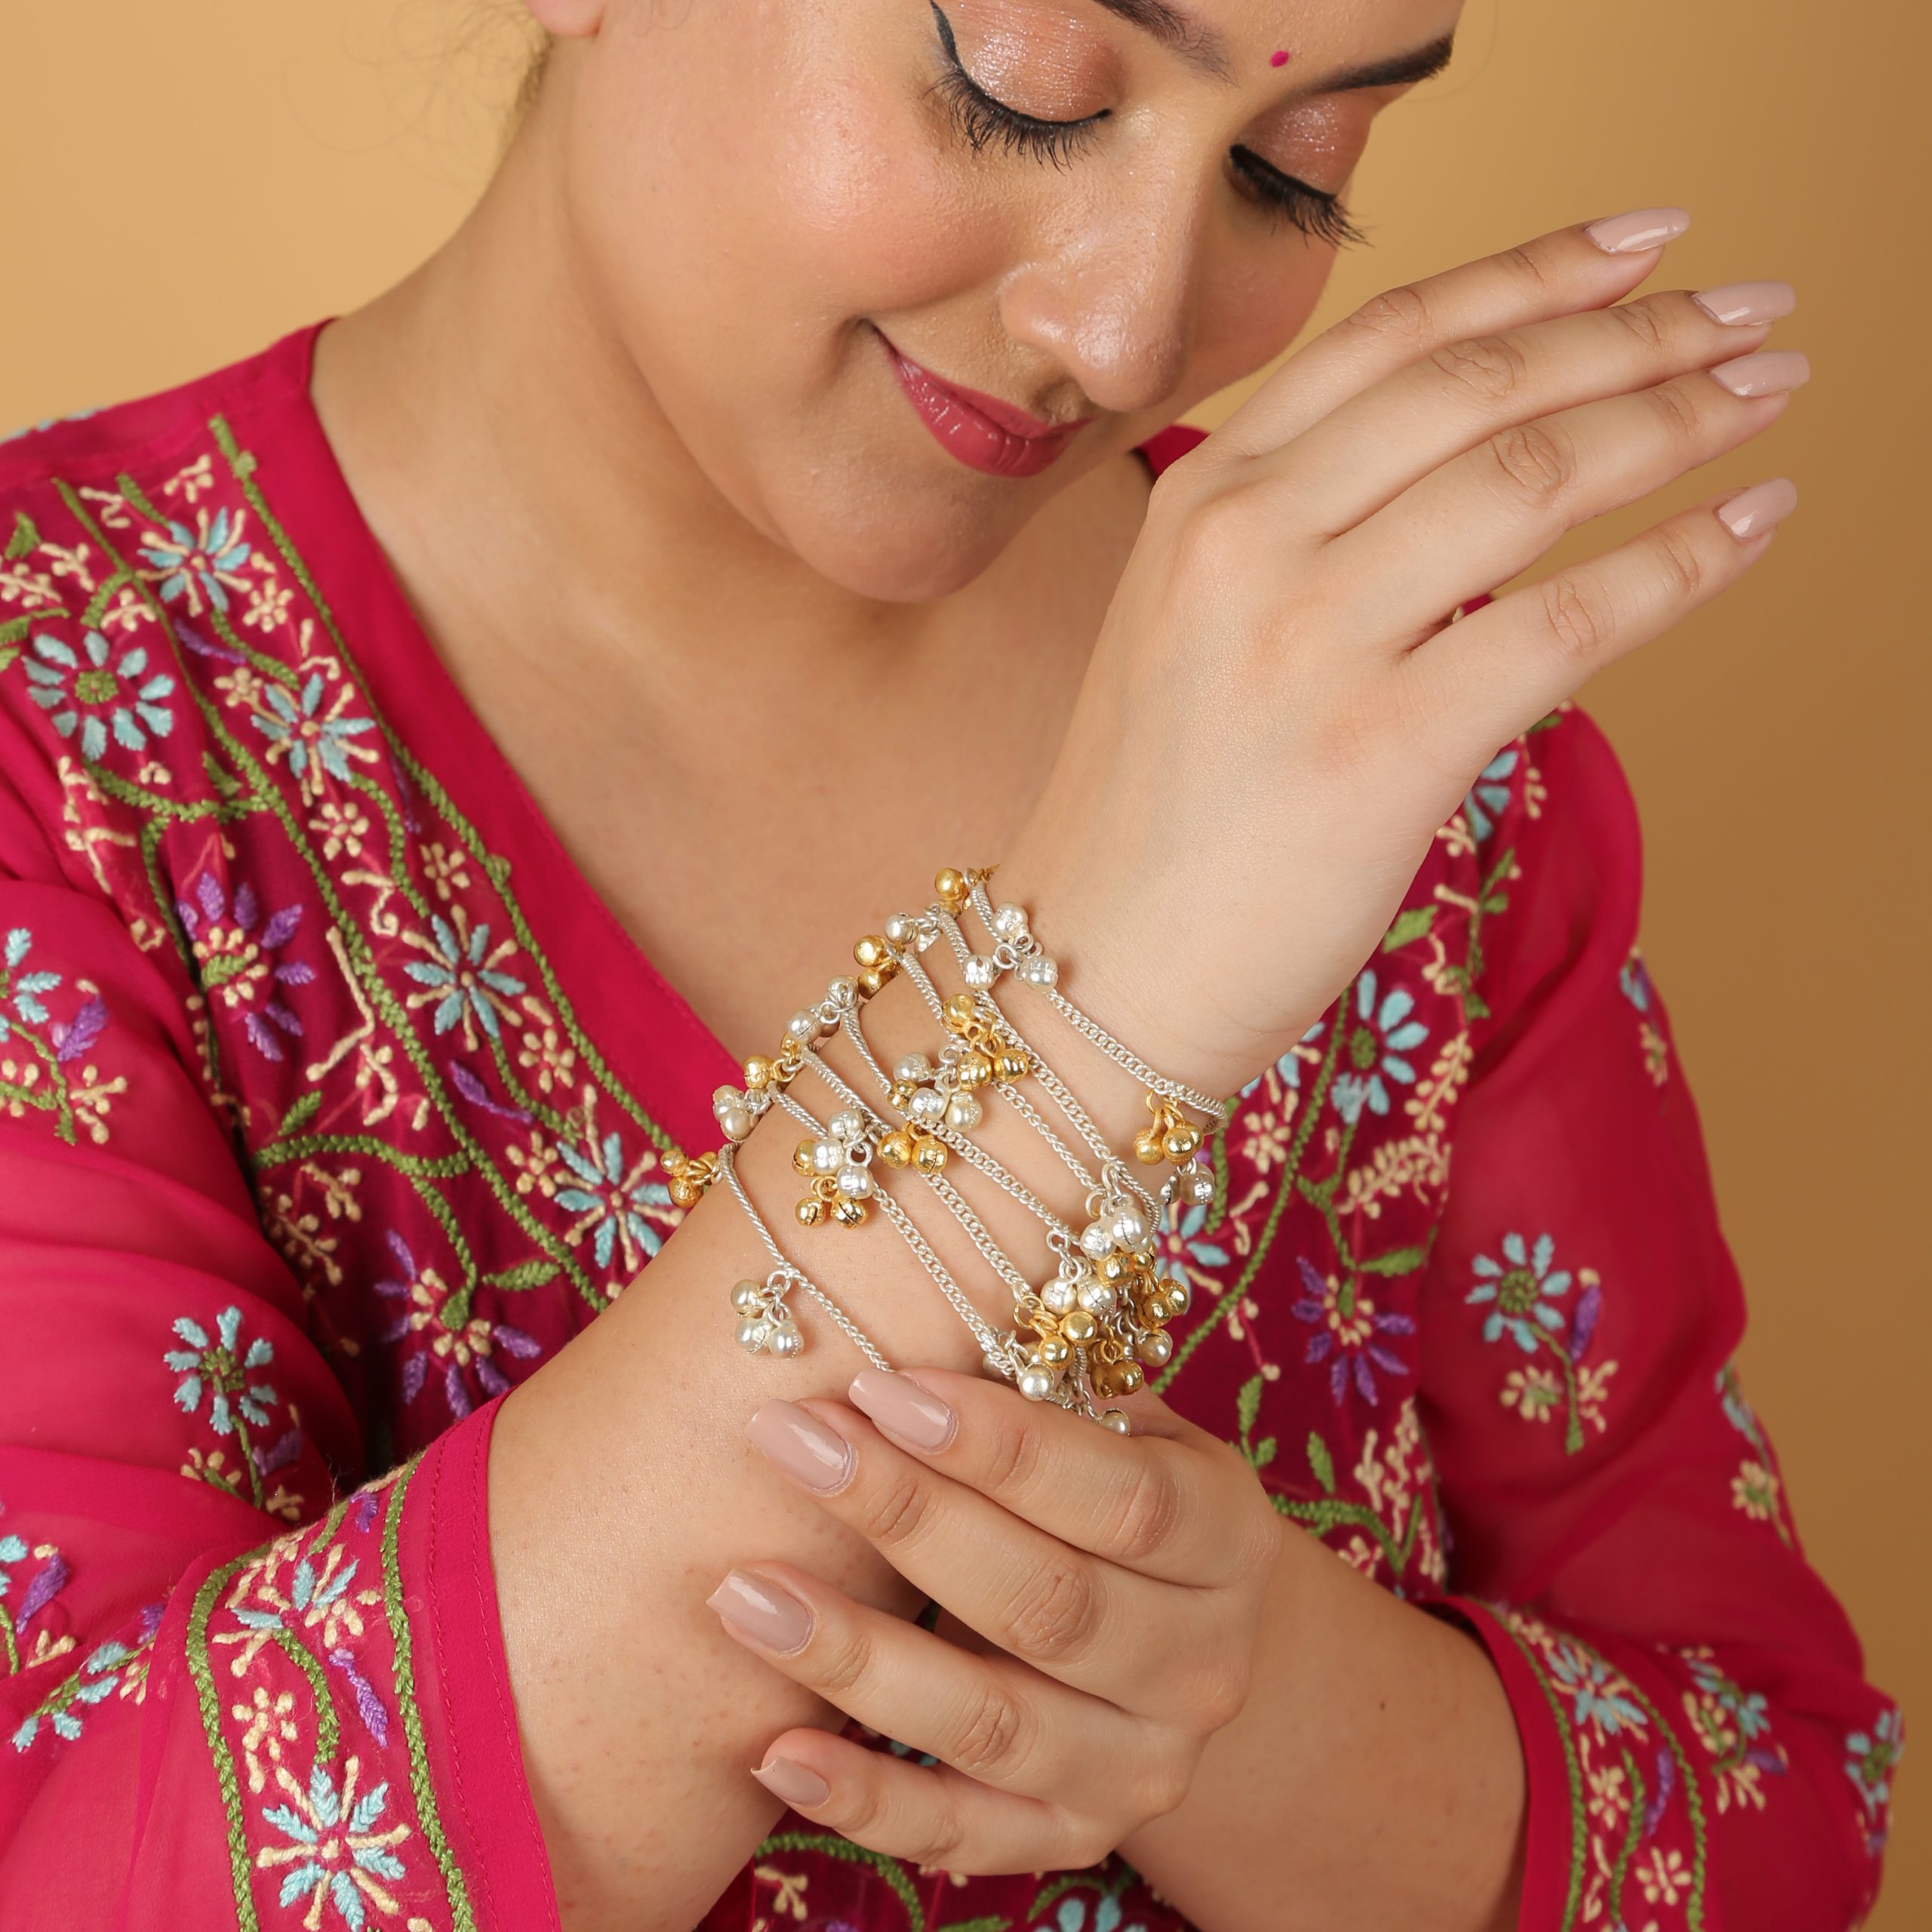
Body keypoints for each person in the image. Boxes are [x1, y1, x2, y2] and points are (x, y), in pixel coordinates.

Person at [0, 0, 1900, 1927]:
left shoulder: (1366, 727)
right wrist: (1075, 1011)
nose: (1124, 331)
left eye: (1285, 175)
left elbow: (1765, 1809)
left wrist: (1238, 1693)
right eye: (1025, 86)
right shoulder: (61, 727)